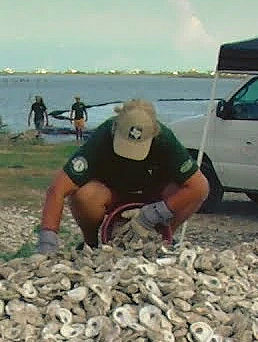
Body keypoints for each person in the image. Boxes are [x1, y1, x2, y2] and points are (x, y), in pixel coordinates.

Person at [36, 99, 209, 254]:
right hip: (112, 194)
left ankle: (161, 237)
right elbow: (58, 189)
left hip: (153, 196)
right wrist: (47, 241)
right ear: (116, 128)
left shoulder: (165, 139)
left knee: (190, 193)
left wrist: (151, 215)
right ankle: (91, 244)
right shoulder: (104, 134)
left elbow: (200, 187)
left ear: (155, 133)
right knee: (83, 195)